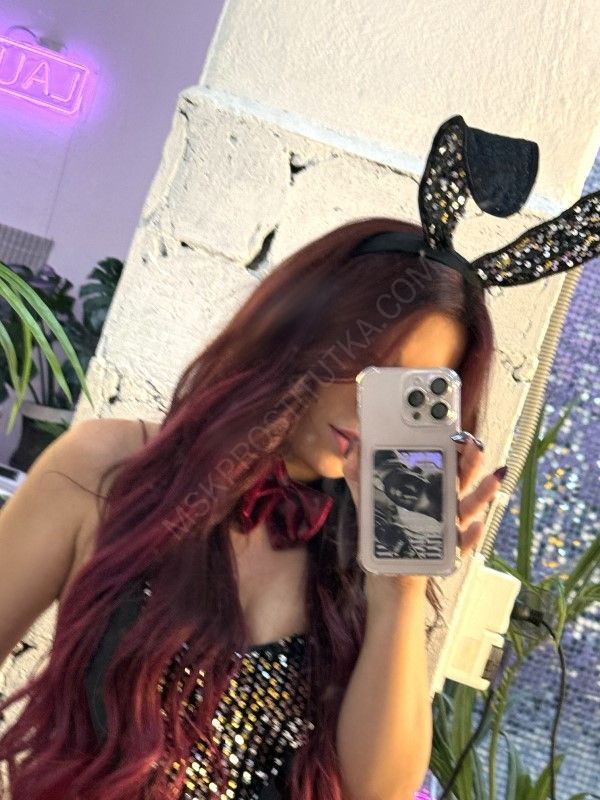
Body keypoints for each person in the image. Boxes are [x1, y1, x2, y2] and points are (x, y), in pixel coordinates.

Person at [0, 114, 597, 800]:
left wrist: (399, 593)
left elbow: (378, 791)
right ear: (304, 331)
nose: (374, 410)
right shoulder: (108, 467)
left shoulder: (362, 560)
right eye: (367, 364)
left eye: (411, 396)